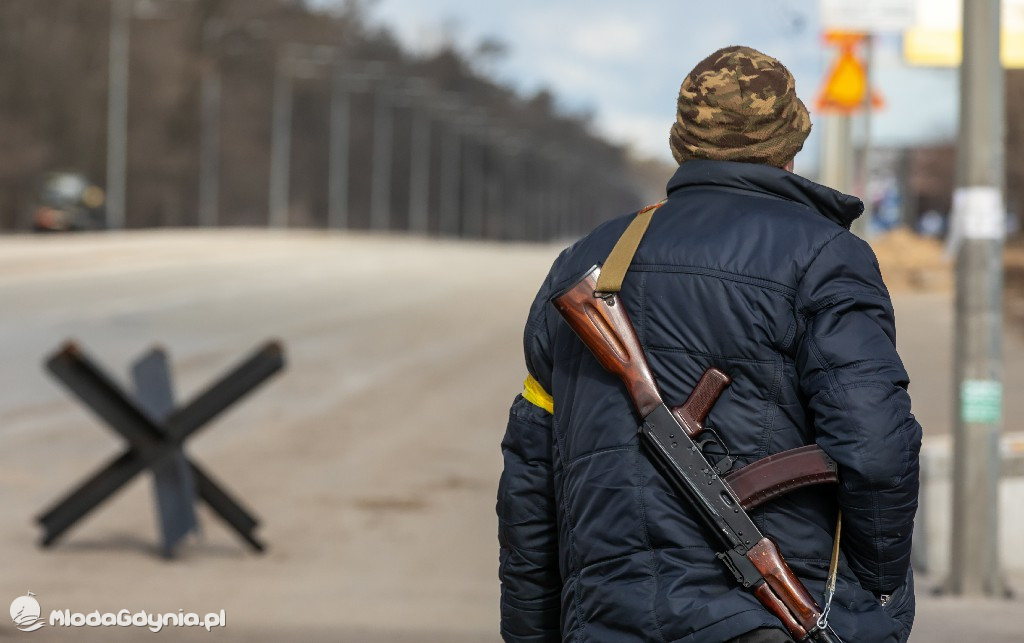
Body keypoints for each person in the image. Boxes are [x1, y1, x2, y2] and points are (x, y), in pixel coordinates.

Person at [497, 46, 921, 642]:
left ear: (681, 142)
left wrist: (531, 630)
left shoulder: (591, 260)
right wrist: (872, 602)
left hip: (604, 625)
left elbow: (531, 478)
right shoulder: (825, 256)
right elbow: (876, 449)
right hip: (765, 624)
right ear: (792, 143)